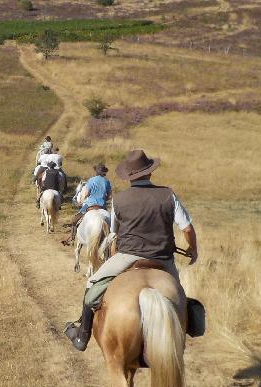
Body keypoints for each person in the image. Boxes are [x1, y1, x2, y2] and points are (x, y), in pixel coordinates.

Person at [64, 149, 199, 351]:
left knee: (91, 283)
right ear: (150, 172)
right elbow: (187, 228)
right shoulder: (168, 195)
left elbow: (115, 234)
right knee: (178, 294)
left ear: (128, 177)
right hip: (163, 258)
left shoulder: (119, 200)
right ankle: (187, 331)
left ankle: (83, 337)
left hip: (128, 257)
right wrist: (192, 249)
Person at [61, 163, 112, 246]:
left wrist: (81, 201)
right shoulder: (107, 182)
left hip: (90, 205)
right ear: (104, 173)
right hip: (102, 206)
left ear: (96, 171)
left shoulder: (91, 180)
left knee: (75, 220)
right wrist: (104, 199)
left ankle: (72, 237)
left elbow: (86, 193)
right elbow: (109, 196)